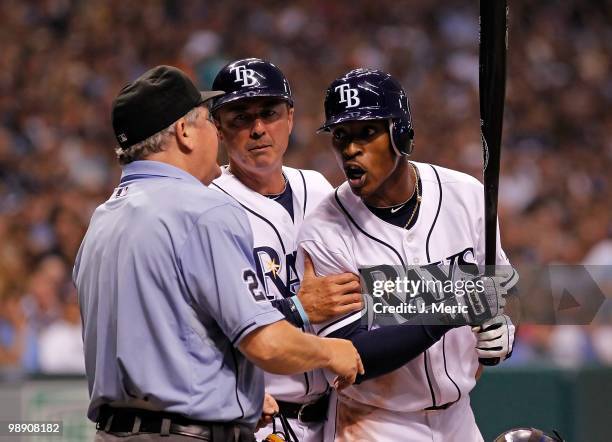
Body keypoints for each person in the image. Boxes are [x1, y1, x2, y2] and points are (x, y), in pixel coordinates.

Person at [73, 65, 363, 442]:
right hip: (187, 433)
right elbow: (265, 343)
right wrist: (329, 350)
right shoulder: (202, 209)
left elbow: (166, 330)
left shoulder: (102, 219)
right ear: (184, 132)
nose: (216, 131)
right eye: (210, 121)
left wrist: (228, 395)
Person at [297, 68, 519, 442]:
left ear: (400, 133)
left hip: (459, 417)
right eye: (341, 136)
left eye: (366, 132)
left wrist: (500, 333)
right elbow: (352, 354)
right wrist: (447, 309)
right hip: (374, 422)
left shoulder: (464, 194)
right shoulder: (324, 229)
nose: (350, 149)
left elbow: (499, 285)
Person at [210, 58, 363, 442]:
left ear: (290, 118)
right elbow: (202, 329)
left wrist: (467, 299)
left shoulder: (321, 189)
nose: (258, 128)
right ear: (218, 130)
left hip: (337, 415)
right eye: (240, 118)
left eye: (269, 113)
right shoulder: (207, 208)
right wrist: (297, 308)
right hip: (259, 420)